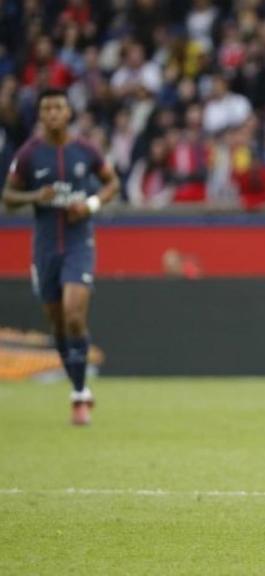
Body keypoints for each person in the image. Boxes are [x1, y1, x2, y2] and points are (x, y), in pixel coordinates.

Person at [3, 88, 121, 425]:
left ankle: (79, 394)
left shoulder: (86, 150)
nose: (53, 113)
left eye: (59, 107)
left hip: (78, 244)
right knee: (57, 323)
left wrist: (90, 205)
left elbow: (112, 183)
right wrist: (34, 195)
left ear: (69, 113)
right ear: (41, 115)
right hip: (44, 249)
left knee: (73, 314)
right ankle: (78, 385)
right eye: (47, 108)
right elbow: (8, 196)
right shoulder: (29, 154)